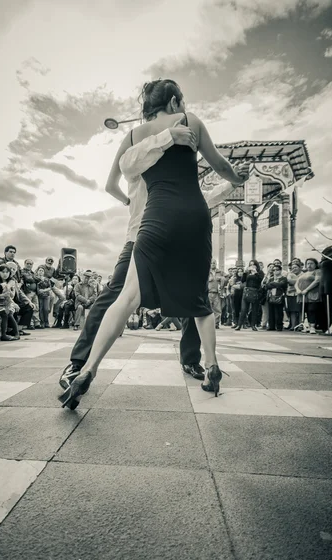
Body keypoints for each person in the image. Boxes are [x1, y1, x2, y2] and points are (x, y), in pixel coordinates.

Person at [60, 78, 247, 408]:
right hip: (185, 218)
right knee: (197, 299)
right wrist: (237, 178)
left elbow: (118, 175)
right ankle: (210, 365)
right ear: (174, 102)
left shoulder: (133, 137)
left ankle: (86, 368)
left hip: (155, 221)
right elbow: (219, 165)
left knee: (122, 298)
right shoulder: (189, 124)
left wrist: (129, 203)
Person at [0, 264, 20, 341]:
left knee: (10, 314)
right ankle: (3, 335)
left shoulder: (10, 282)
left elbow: (12, 295)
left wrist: (8, 291)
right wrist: (3, 294)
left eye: (7, 272)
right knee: (4, 314)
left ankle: (17, 333)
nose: (5, 274)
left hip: (8, 304)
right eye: (3, 272)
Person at [295, 258, 322, 334]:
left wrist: (307, 290)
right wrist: (297, 289)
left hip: (312, 294)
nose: (309, 265)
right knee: (305, 310)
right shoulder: (304, 273)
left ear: (315, 264)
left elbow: (317, 281)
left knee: (312, 310)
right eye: (308, 263)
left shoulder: (317, 271)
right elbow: (296, 282)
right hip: (302, 295)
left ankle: (313, 327)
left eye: (311, 263)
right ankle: (308, 326)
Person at [235, 260, 263, 331]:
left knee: (254, 309)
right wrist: (245, 272)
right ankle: (239, 325)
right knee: (243, 309)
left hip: (255, 291)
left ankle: (253, 325)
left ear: (256, 266)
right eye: (250, 265)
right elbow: (243, 280)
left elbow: (260, 280)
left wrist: (255, 272)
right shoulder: (248, 273)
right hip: (247, 291)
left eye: (254, 265)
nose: (252, 266)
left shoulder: (260, 272)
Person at [265, 264, 287, 331]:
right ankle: (271, 326)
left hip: (279, 296)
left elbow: (281, 284)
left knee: (279, 312)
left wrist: (273, 284)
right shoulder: (271, 278)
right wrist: (275, 284)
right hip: (271, 296)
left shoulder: (283, 278)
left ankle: (279, 326)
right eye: (274, 270)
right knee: (271, 312)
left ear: (280, 270)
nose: (275, 271)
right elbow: (267, 286)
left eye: (277, 270)